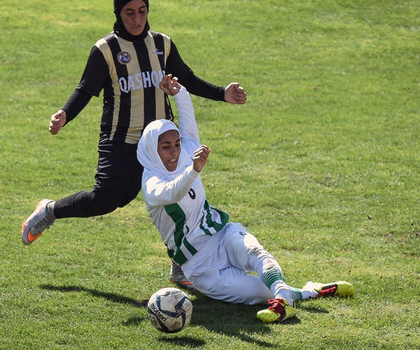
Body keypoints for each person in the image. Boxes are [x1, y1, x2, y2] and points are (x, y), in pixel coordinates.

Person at [21, 0, 246, 287]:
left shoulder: (161, 43)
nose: (137, 18)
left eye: (142, 11)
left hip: (162, 143)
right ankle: (49, 210)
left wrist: (223, 94)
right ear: (118, 14)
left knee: (179, 200)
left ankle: (181, 266)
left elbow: (187, 78)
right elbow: (86, 89)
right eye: (130, 13)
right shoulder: (106, 50)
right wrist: (64, 115)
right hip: (120, 141)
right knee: (107, 200)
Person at [136, 77, 354, 323]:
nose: (175, 151)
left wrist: (181, 94)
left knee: (256, 253)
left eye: (176, 144)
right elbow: (172, 193)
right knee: (261, 292)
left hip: (222, 234)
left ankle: (283, 301)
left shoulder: (186, 152)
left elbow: (188, 127)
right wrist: (193, 170)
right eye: (166, 147)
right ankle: (310, 291)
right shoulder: (151, 183)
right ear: (152, 150)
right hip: (200, 267)